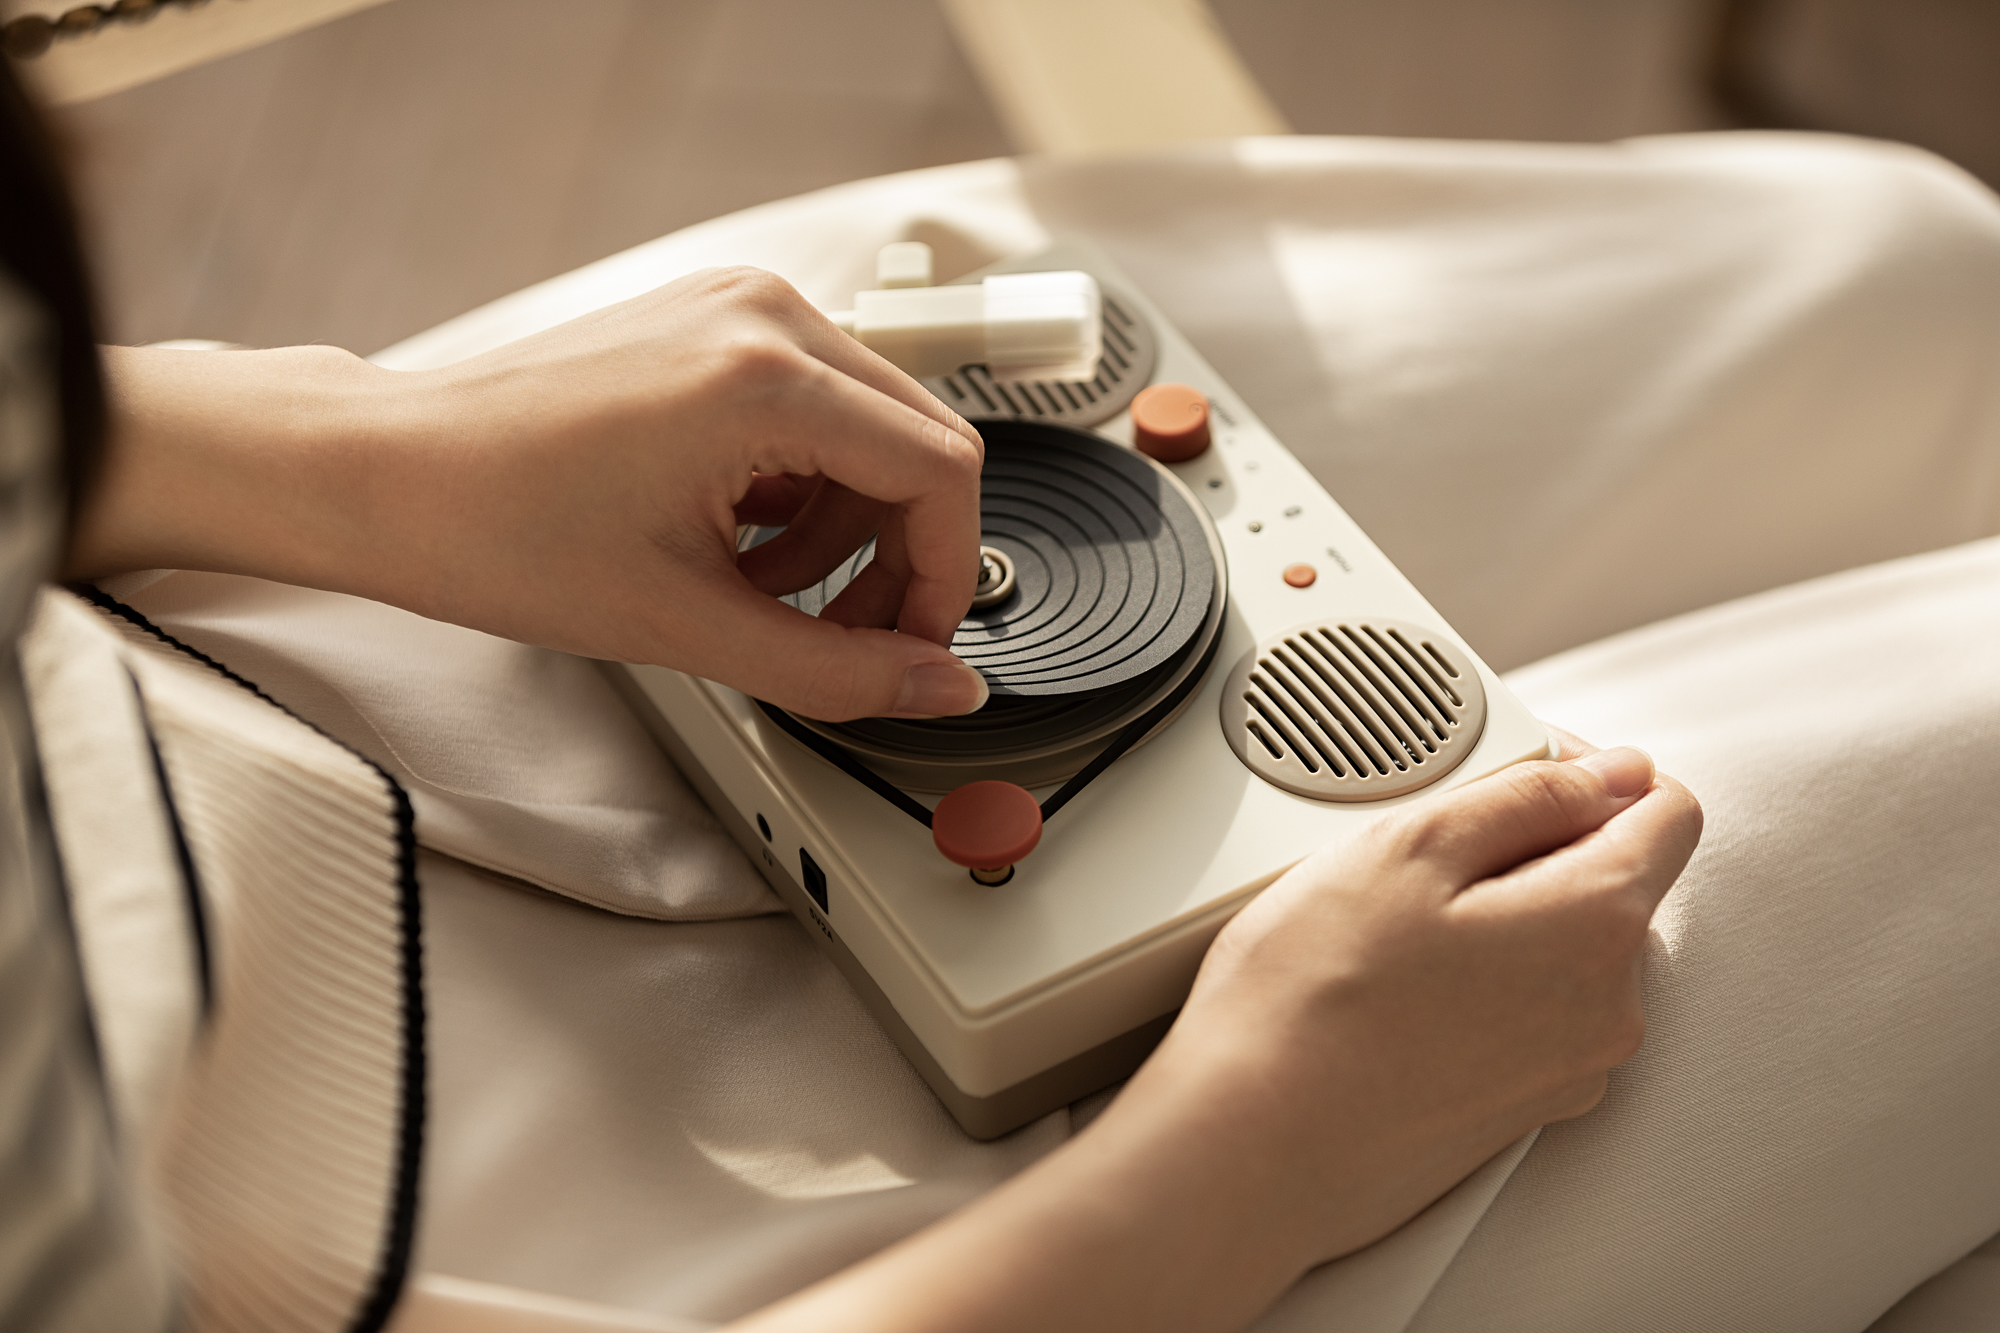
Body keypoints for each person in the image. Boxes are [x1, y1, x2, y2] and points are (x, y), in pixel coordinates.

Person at [0, 58, 1706, 1333]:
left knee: (1906, 269)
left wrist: (362, 444)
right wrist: (1257, 1158)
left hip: (245, 598)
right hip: (560, 1244)